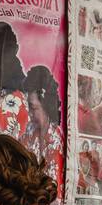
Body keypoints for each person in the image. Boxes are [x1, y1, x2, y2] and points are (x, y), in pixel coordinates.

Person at [23, 65, 63, 196]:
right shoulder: (30, 129)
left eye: (34, 108)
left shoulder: (57, 141)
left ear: (47, 106)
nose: (30, 113)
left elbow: (53, 191)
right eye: (29, 107)